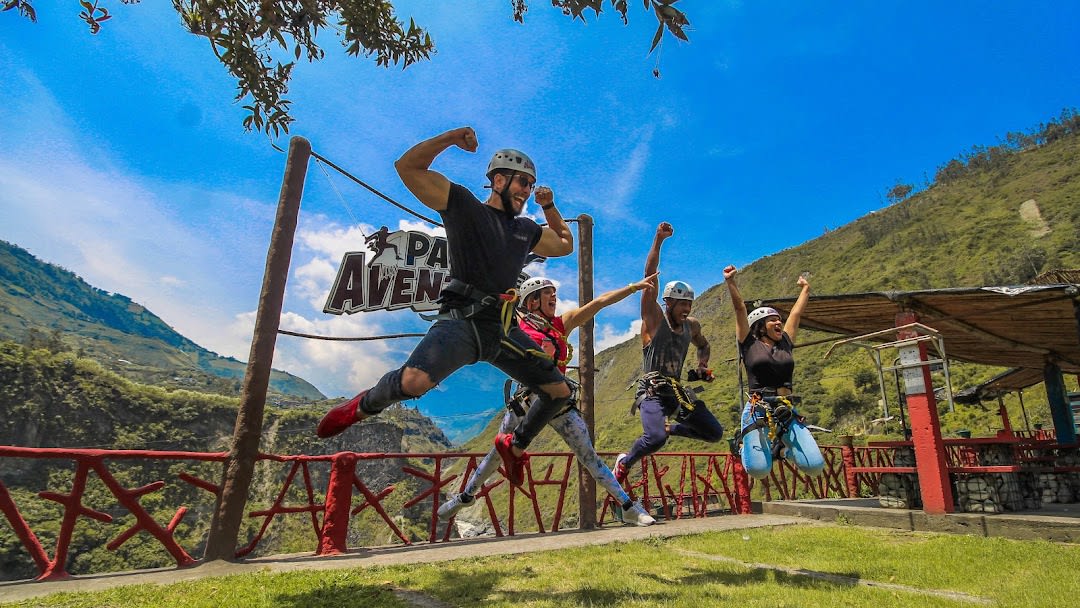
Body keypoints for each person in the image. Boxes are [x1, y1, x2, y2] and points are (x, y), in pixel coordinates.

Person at [317, 127, 575, 489]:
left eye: (530, 186)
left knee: (558, 390)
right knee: (413, 381)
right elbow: (408, 167)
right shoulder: (464, 205)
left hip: (502, 329)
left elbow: (565, 244)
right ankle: (361, 406)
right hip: (462, 319)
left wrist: (549, 207)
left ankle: (514, 447)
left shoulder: (526, 229)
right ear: (498, 179)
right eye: (521, 183)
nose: (526, 192)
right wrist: (451, 138)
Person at [439, 274, 661, 526]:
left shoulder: (559, 324)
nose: (554, 296)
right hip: (528, 402)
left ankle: (629, 507)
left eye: (554, 292)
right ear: (532, 301)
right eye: (547, 293)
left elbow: (598, 303)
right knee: (496, 456)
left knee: (589, 457)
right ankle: (465, 497)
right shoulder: (517, 329)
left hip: (559, 403)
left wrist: (632, 287)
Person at [613, 223, 725, 486]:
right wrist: (658, 240)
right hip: (652, 391)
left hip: (676, 392)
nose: (686, 308)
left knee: (713, 433)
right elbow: (649, 277)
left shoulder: (692, 325)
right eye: (682, 304)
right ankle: (625, 462)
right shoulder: (654, 321)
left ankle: (670, 427)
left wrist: (703, 365)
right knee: (654, 439)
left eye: (689, 304)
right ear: (669, 303)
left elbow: (703, 344)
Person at [723, 265, 824, 479]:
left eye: (779, 319)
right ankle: (741, 446)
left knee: (815, 466)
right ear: (759, 326)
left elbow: (796, 314)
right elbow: (740, 309)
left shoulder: (785, 343)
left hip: (786, 410)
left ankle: (781, 450)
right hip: (757, 410)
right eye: (773, 320)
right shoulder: (748, 344)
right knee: (759, 471)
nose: (779, 322)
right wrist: (731, 282)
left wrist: (805, 289)